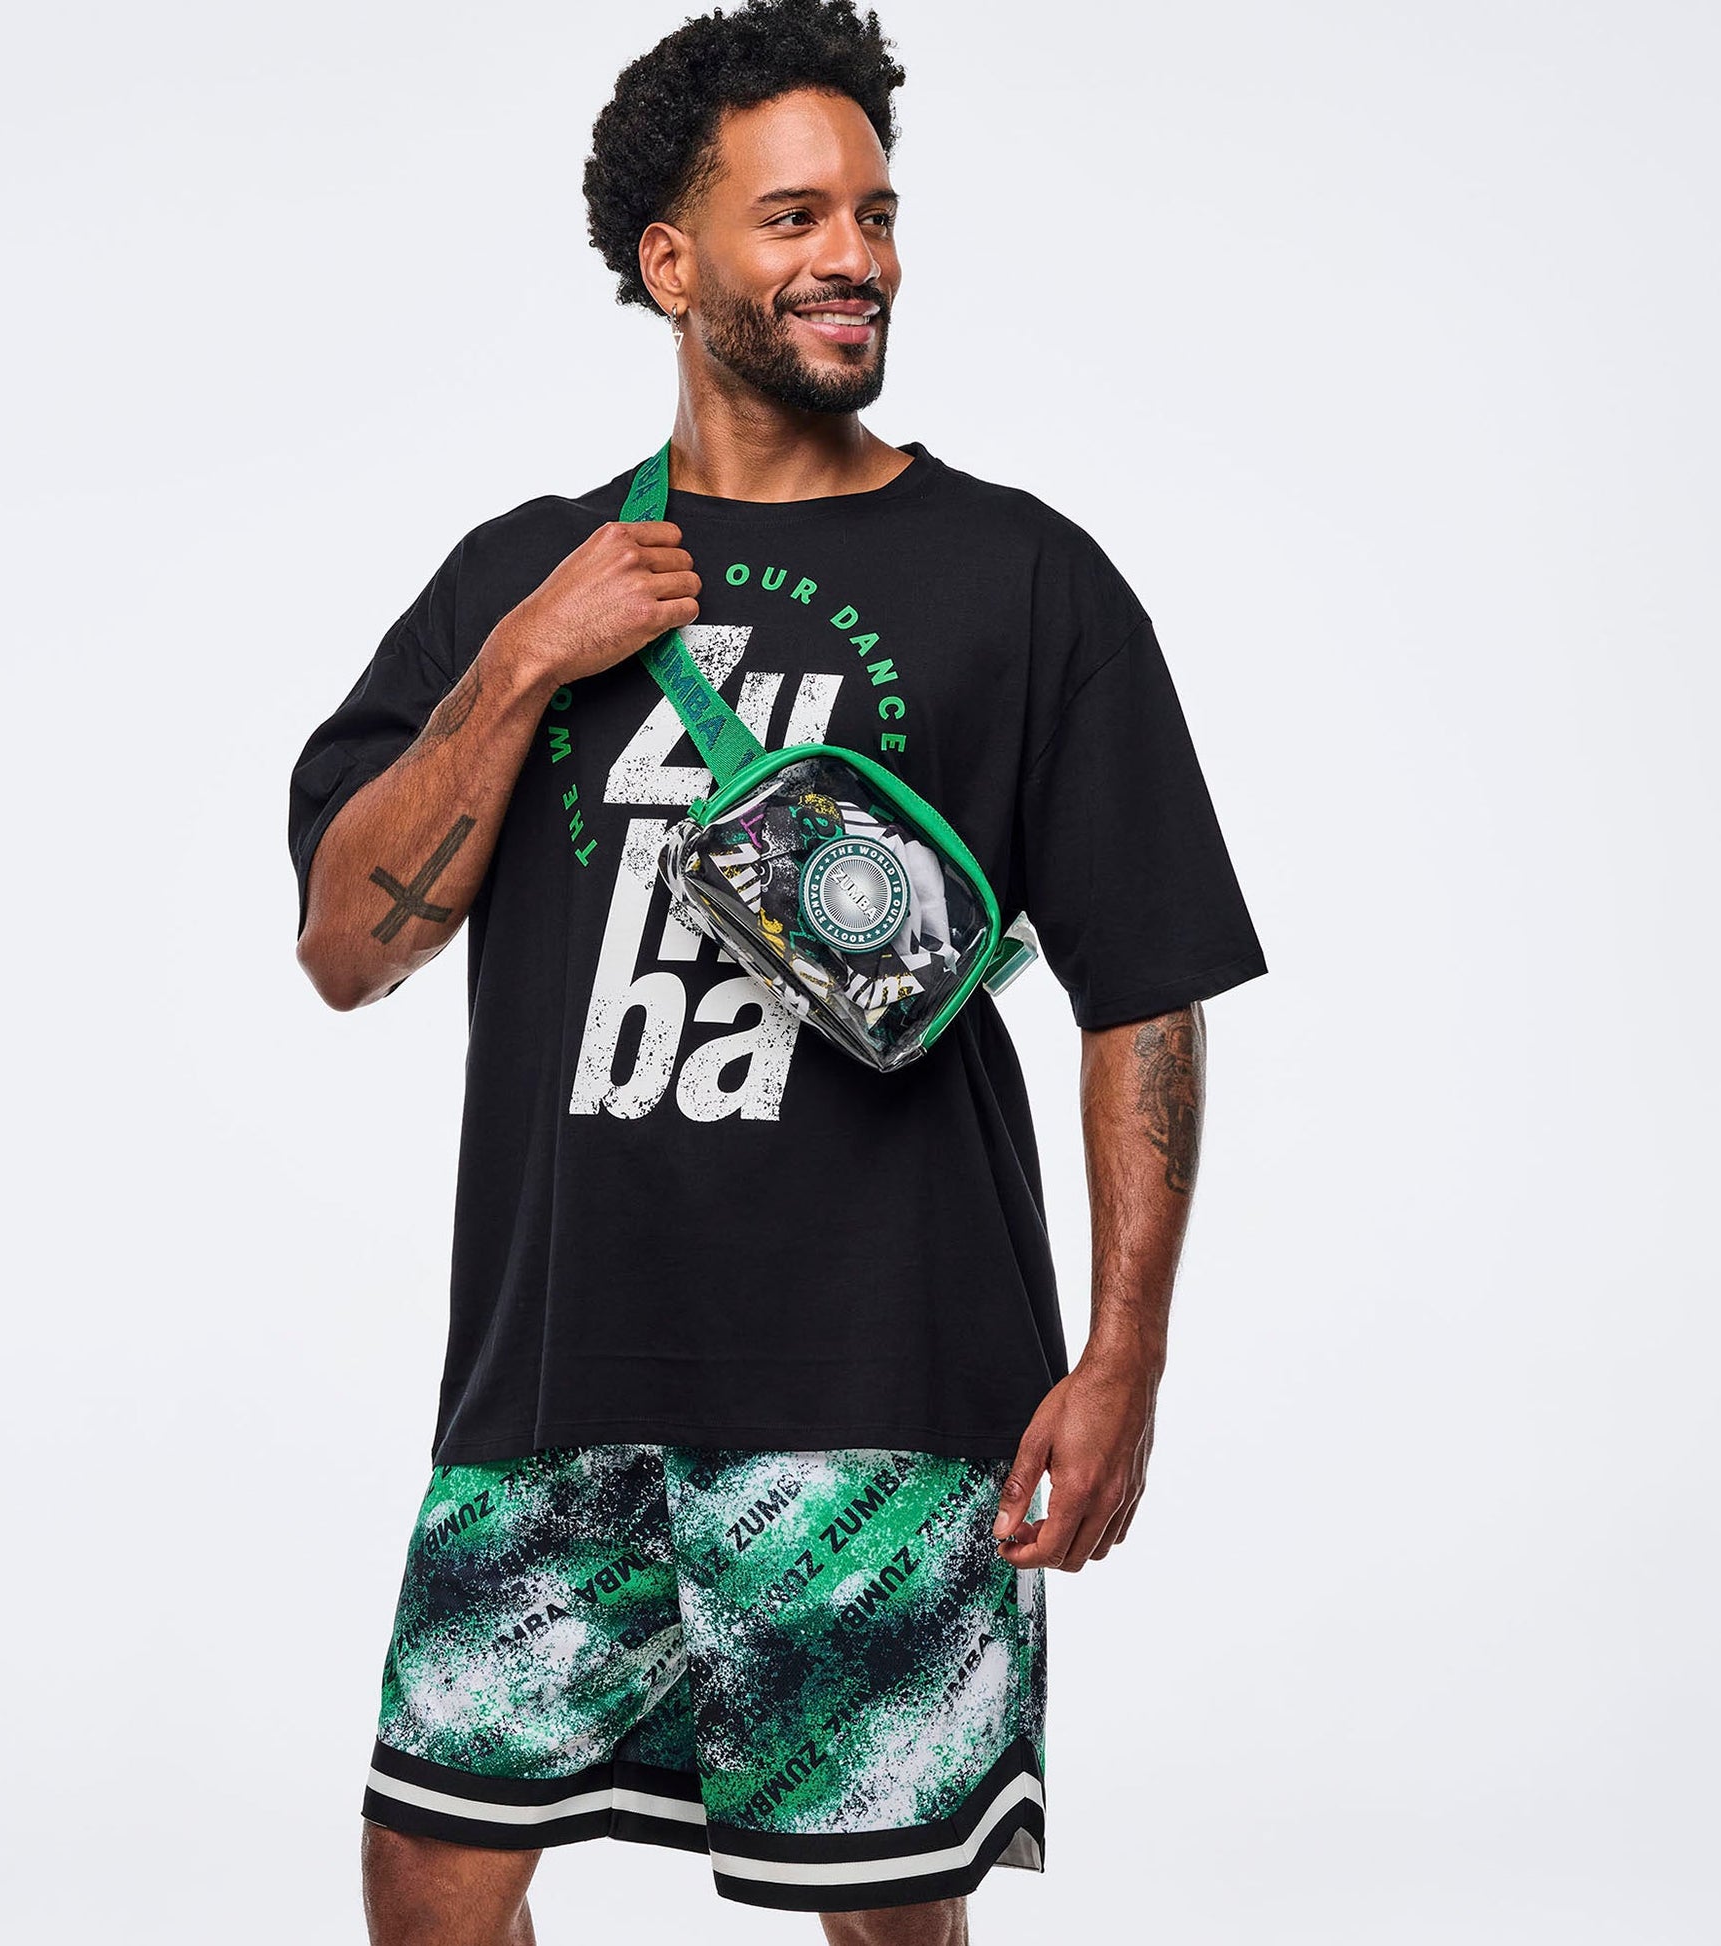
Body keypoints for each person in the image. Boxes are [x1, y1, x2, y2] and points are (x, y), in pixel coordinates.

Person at [288, 2, 1265, 1939]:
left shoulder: (1027, 580)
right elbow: (344, 945)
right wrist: (524, 660)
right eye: (795, 215)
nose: (855, 257)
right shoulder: (518, 572)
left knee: (885, 1905)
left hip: (891, 1382)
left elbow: (1141, 989)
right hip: (552, 1375)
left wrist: (1125, 1353)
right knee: (427, 1867)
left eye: (876, 214)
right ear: (670, 262)